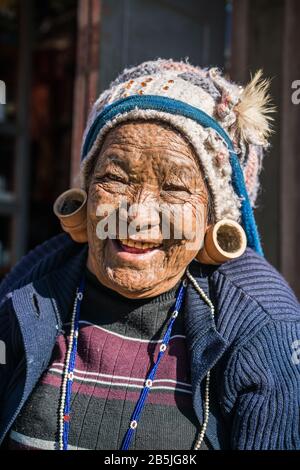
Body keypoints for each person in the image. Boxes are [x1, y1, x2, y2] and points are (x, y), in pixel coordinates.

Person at [0, 59, 299, 450]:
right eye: (115, 179)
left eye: (175, 188)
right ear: (86, 190)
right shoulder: (28, 292)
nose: (136, 216)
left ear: (216, 216)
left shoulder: (264, 327)